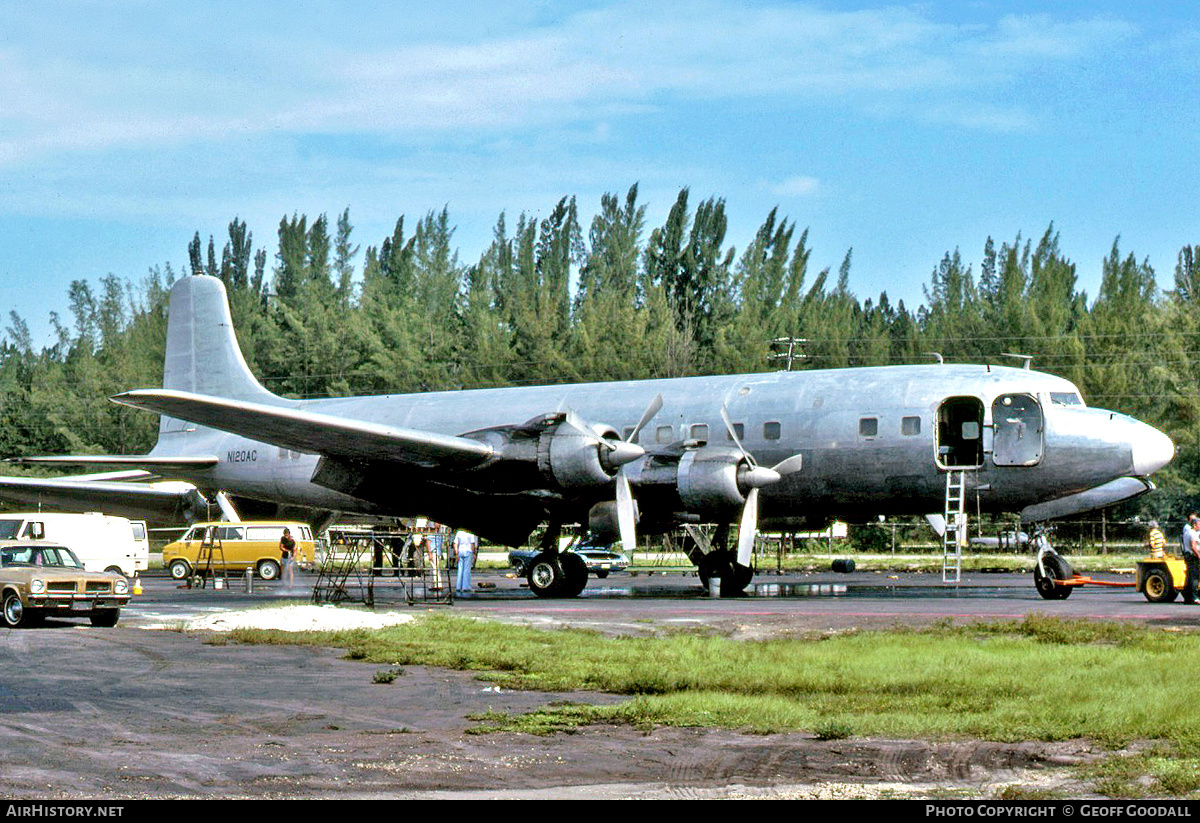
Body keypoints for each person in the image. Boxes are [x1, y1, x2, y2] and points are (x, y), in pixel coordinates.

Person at [1181, 515, 1199, 603]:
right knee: (1194, 577)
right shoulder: (1194, 534)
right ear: (1194, 525)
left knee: (1189, 576)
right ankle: (1195, 597)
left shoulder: (1187, 532)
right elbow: (1193, 547)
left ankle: (1187, 598)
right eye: (1199, 524)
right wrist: (1199, 556)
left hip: (1187, 555)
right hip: (1192, 557)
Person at [453, 529, 478, 594]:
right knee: (467, 570)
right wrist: (473, 553)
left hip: (460, 551)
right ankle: (466, 587)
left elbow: (455, 543)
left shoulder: (459, 532)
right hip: (468, 551)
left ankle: (458, 586)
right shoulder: (470, 533)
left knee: (460, 569)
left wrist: (456, 553)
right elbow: (472, 544)